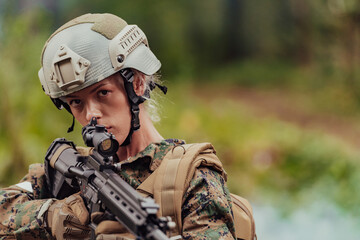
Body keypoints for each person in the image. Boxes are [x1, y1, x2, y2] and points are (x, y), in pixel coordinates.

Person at [0, 13, 236, 239]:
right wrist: (53, 217)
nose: (91, 113)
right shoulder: (74, 167)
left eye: (103, 92)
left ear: (139, 83)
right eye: (76, 102)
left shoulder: (194, 178)